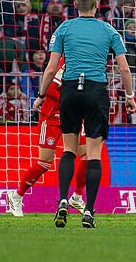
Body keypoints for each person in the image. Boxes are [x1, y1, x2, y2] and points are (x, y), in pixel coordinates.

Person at [33, 0, 136, 228]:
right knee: (93, 154)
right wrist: (130, 96)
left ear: (76, 5)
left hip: (69, 92)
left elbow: (51, 67)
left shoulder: (64, 28)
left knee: (68, 151)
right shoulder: (109, 30)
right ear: (97, 5)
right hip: (95, 92)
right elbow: (123, 67)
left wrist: (40, 95)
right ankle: (88, 210)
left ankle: (61, 201)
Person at [6, 58, 88, 217]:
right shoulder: (67, 61)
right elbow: (51, 89)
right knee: (44, 163)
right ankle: (16, 196)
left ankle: (77, 197)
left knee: (87, 156)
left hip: (73, 117)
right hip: (51, 117)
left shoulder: (88, 61)